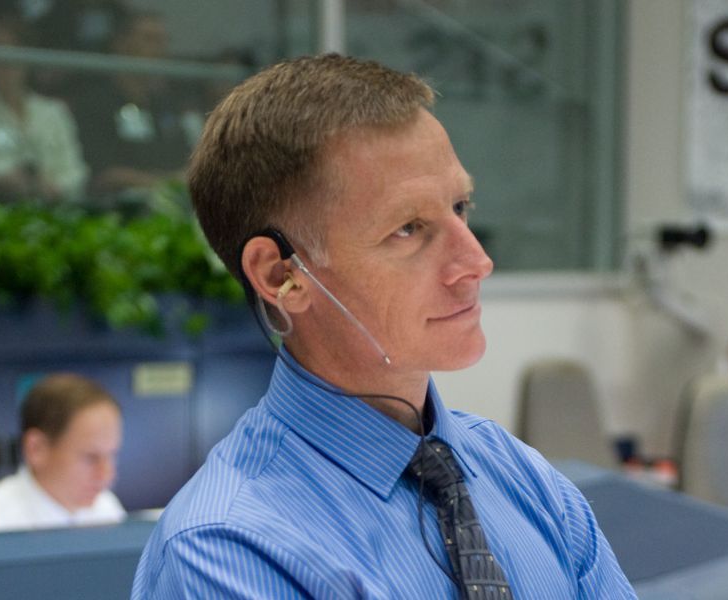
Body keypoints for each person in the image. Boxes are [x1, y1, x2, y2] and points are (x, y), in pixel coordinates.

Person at [131, 54, 634, 598]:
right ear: (281, 277)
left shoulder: (525, 478)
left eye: (460, 207)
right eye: (409, 228)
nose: (476, 262)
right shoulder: (226, 548)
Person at [0, 373, 125, 535]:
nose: (107, 475)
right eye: (91, 457)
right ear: (36, 449)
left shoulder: (107, 509)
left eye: (112, 455)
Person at [0, 16, 89, 203]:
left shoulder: (54, 112)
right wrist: (3, 174)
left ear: (27, 58)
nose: (3, 62)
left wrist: (54, 187)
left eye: (11, 53)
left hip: (51, 209)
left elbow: (75, 172)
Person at [69, 10, 194, 202]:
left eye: (163, 40)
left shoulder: (166, 104)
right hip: (119, 207)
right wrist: (163, 184)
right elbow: (103, 174)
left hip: (173, 203)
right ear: (121, 44)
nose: (159, 49)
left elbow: (187, 161)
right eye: (149, 39)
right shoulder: (95, 103)